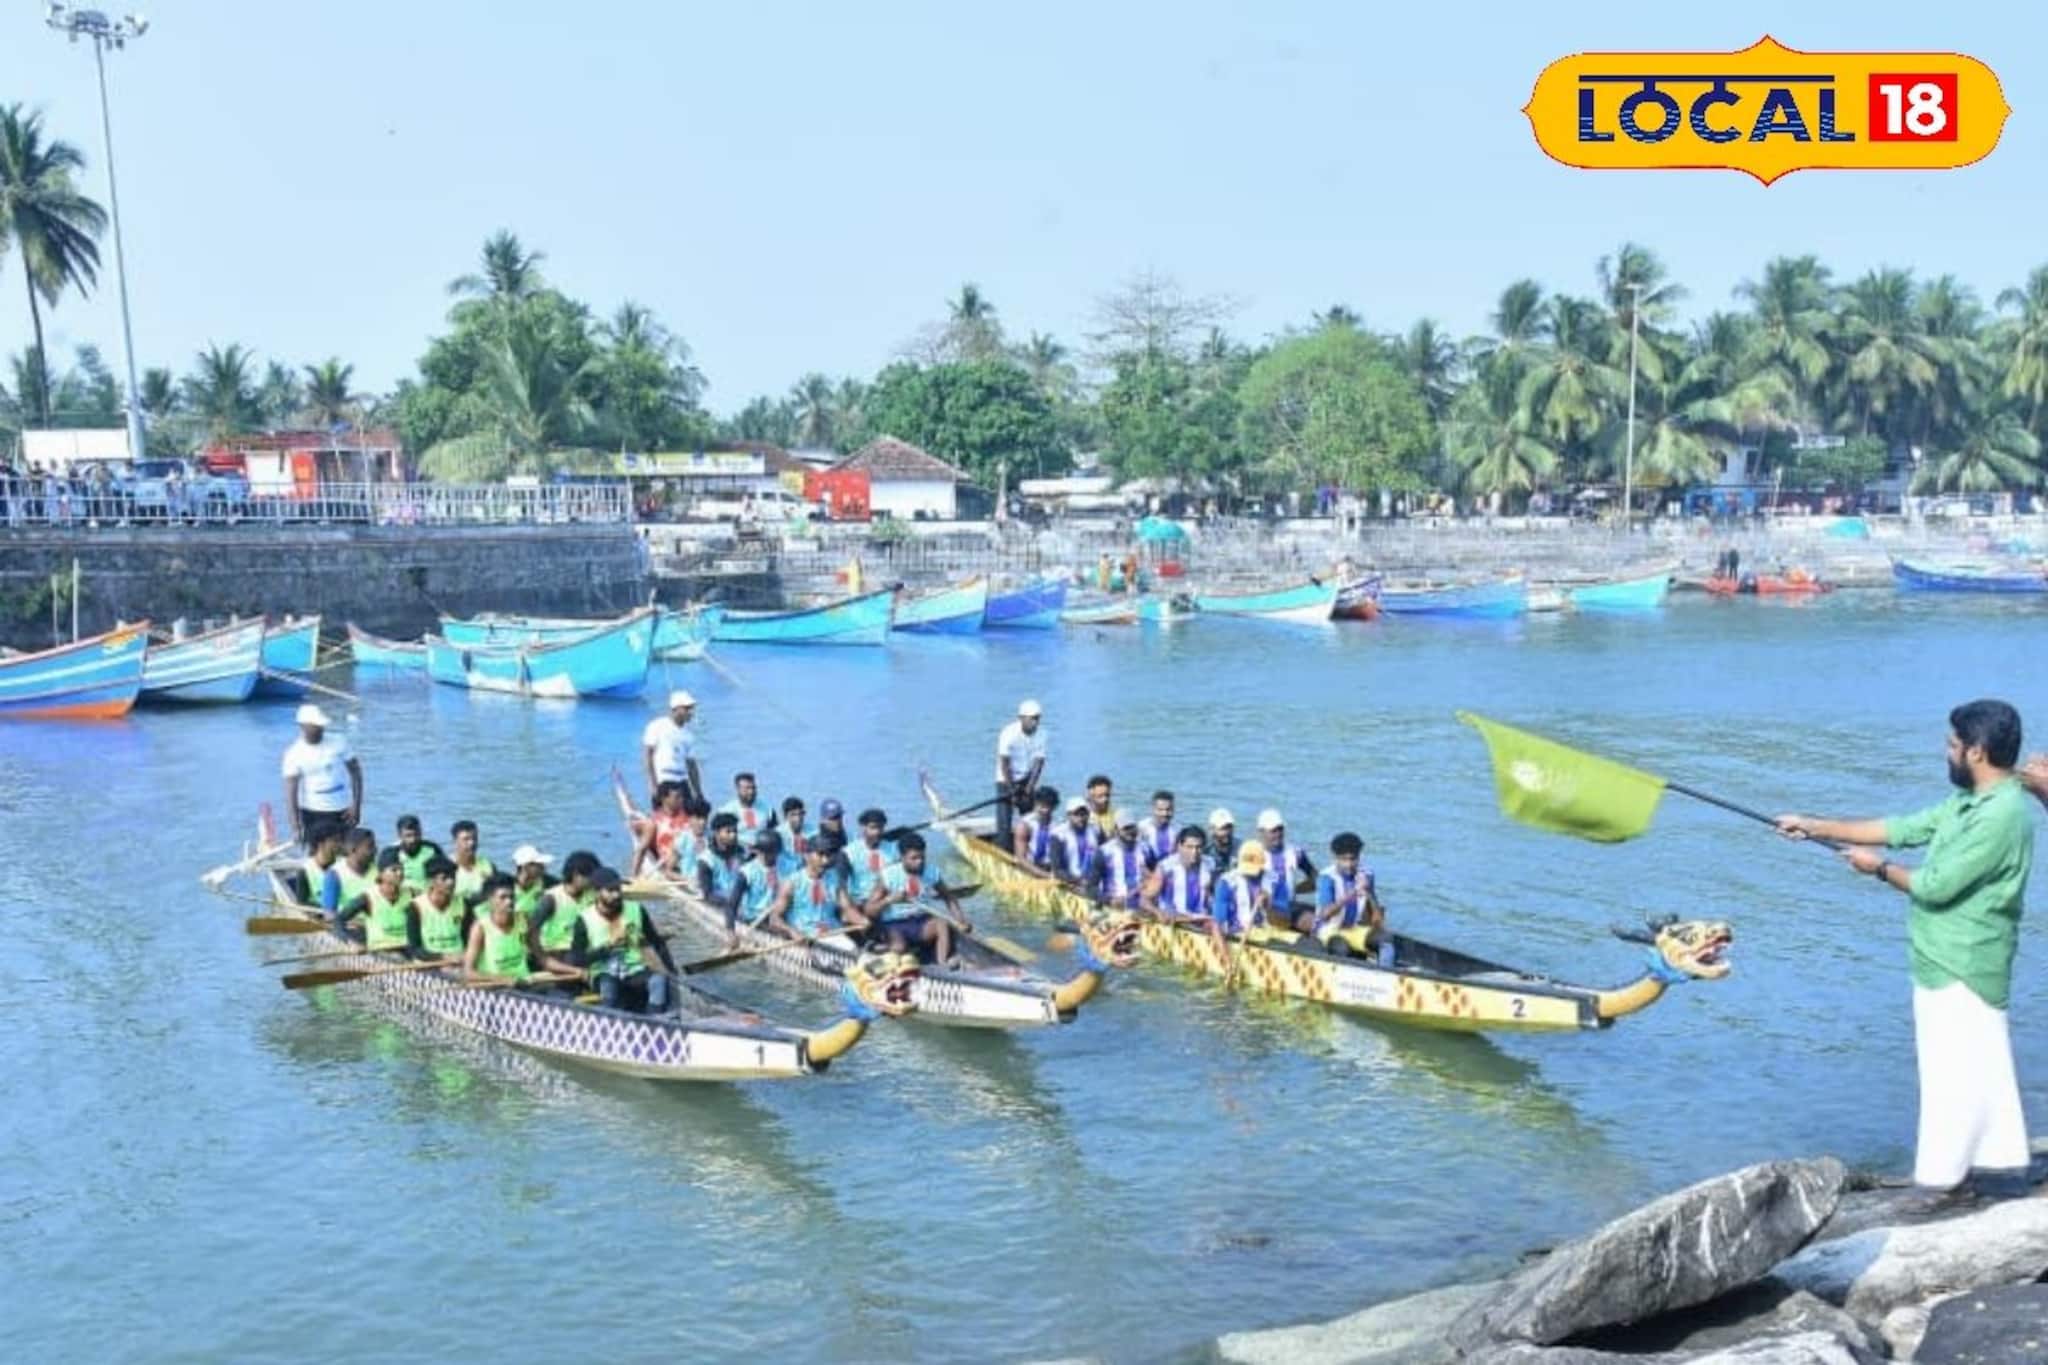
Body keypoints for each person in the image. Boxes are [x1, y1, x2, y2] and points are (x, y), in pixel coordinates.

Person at [1775, 699, 2036, 1191]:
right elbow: (1900, 829)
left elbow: (1935, 885)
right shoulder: (1968, 802)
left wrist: (1877, 869)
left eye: (1952, 745)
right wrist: (1813, 825)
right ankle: (1995, 1163)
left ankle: (1940, 1180)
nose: (1946, 752)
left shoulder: (2001, 816)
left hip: (1965, 962)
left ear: (1977, 752)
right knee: (1973, 1070)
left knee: (1953, 1078)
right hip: (1941, 959)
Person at [570, 868, 676, 1014]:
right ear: (597, 892)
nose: (617, 894)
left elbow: (656, 942)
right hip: (603, 971)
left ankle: (654, 1022)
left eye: (618, 889)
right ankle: (608, 1022)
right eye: (611, 890)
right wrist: (607, 949)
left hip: (633, 969)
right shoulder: (584, 919)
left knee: (658, 981)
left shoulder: (636, 909)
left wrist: (671, 972)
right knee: (608, 986)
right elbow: (576, 960)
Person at [864, 832, 970, 966]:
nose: (919, 862)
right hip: (894, 924)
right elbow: (869, 910)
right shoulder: (888, 875)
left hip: (920, 922)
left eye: (922, 857)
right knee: (899, 948)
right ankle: (879, 949)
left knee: (941, 923)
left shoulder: (931, 872)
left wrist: (961, 921)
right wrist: (889, 900)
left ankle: (941, 964)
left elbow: (949, 898)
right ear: (902, 858)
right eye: (914, 858)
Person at [281, 703, 362, 848]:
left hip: (343, 811)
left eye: (321, 725)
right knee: (319, 855)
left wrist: (356, 806)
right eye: (315, 726)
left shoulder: (339, 741)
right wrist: (295, 826)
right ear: (303, 726)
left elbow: (356, 773)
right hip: (313, 813)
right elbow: (290, 793)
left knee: (347, 851)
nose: (320, 729)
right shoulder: (293, 754)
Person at [767, 833, 869, 942]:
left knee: (853, 951)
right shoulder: (791, 883)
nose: (825, 860)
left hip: (831, 932)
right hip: (803, 936)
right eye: (820, 854)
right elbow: (774, 919)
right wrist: (792, 932)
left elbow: (848, 908)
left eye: (828, 855)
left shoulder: (835, 880)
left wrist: (862, 920)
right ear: (806, 855)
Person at [465, 875, 562, 983]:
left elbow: (543, 959)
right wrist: (502, 979)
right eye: (503, 897)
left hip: (523, 981)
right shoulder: (480, 928)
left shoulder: (524, 921)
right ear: (490, 900)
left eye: (512, 897)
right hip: (495, 986)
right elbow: (468, 972)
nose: (509, 901)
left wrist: (576, 971)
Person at [1312, 833, 1390, 962]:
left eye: (1353, 859)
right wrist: (1352, 893)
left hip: (1353, 929)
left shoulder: (1367, 874)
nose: (1348, 864)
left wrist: (1368, 892)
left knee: (1386, 939)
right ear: (1335, 858)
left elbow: (1376, 917)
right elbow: (1325, 914)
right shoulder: (1326, 877)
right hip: (1327, 929)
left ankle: (1385, 972)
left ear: (1359, 857)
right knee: (1341, 947)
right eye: (1343, 859)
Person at [995, 699, 1048, 847]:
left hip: (1026, 779)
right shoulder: (1008, 733)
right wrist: (1011, 790)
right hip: (1005, 779)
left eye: (1037, 718)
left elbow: (1039, 763)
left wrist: (1029, 789)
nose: (1035, 722)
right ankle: (1003, 848)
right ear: (1021, 718)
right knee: (1004, 826)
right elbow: (1004, 762)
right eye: (1032, 718)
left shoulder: (1042, 734)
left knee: (1032, 822)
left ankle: (1031, 851)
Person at [530, 850, 599, 962]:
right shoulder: (551, 898)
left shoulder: (590, 895)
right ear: (576, 875)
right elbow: (532, 930)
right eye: (590, 876)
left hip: (581, 947)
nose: (593, 881)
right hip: (557, 950)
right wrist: (542, 958)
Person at [1212, 842, 1290, 937]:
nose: (1249, 874)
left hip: (1270, 932)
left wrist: (1268, 906)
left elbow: (1284, 923)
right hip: (1239, 933)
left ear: (1263, 864)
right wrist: (1225, 952)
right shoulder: (1226, 882)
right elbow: (1217, 924)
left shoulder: (1277, 881)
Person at [338, 854, 412, 951]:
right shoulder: (367, 898)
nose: (400, 873)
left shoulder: (412, 894)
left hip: (408, 949)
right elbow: (338, 920)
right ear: (381, 874)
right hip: (381, 952)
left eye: (402, 869)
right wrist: (350, 942)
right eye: (394, 870)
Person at [642, 690, 703, 805]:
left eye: (691, 709)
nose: (691, 712)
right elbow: (648, 756)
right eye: (687, 708)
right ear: (676, 708)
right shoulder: (657, 726)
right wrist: (653, 786)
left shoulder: (688, 735)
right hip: (664, 781)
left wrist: (698, 792)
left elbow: (691, 765)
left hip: (682, 781)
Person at [408, 857, 473, 962]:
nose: (450, 882)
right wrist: (444, 957)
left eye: (453, 877)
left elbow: (468, 940)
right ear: (431, 882)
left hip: (459, 960)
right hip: (430, 963)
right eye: (444, 878)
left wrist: (466, 955)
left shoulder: (464, 904)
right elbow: (415, 949)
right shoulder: (416, 906)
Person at [697, 813, 749, 933]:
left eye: (735, 831)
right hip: (722, 902)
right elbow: (708, 894)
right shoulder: (705, 860)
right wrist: (731, 903)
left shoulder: (741, 853)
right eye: (728, 832)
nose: (733, 835)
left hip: (741, 901)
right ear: (716, 833)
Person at [1092, 810, 1149, 910]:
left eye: (1133, 827)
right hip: (1113, 906)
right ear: (1116, 830)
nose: (1130, 832)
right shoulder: (1104, 852)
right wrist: (1109, 900)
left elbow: (1154, 877)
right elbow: (1090, 887)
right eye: (1126, 828)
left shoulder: (1145, 849)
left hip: (1140, 907)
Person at [845, 809, 900, 907]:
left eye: (881, 828)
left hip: (885, 899)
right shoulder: (849, 852)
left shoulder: (894, 850)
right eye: (873, 828)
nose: (877, 832)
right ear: (863, 827)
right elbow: (841, 884)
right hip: (860, 900)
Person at [1256, 809, 1317, 891]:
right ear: (1261, 832)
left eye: (1280, 829)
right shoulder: (1252, 854)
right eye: (1273, 831)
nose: (1278, 834)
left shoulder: (1296, 853)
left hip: (1289, 902)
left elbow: (1316, 878)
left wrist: (1295, 890)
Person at [1049, 796, 1101, 885]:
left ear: (1088, 814)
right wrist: (1078, 881)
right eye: (1076, 814)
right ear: (1068, 815)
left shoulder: (1096, 829)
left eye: (1083, 814)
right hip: (1069, 879)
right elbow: (1057, 869)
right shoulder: (1058, 835)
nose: (1081, 818)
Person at [294, 827, 346, 913]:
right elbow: (302, 904)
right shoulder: (305, 871)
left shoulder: (344, 864)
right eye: (335, 841)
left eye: (340, 840)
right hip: (323, 915)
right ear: (321, 844)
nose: (339, 844)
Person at [330, 828, 379, 918]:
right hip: (348, 927)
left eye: (375, 846)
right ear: (353, 850)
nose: (375, 850)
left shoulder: (379, 871)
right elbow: (329, 914)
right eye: (370, 847)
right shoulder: (334, 875)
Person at [390, 815, 445, 893]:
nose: (413, 839)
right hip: (402, 897)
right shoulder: (391, 853)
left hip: (427, 897)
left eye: (417, 834)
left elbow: (445, 874)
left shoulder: (433, 849)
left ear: (421, 832)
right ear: (399, 835)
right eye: (408, 836)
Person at [1014, 786, 1061, 870]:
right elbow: (1021, 859)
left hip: (1050, 867)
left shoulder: (1058, 825)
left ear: (1054, 807)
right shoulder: (1024, 825)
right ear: (1035, 804)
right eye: (1042, 806)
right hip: (1029, 867)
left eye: (1049, 807)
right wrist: (1045, 876)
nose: (1045, 810)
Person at [448, 820, 494, 907]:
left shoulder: (488, 865)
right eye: (466, 839)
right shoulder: (446, 867)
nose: (472, 843)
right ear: (454, 841)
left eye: (474, 838)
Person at [509, 845, 557, 923]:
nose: (543, 867)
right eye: (539, 864)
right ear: (525, 866)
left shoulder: (549, 883)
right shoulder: (506, 886)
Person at [1139, 790, 1178, 868]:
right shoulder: (1142, 828)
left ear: (1173, 809)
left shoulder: (1178, 831)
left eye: (1168, 809)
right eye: (1160, 810)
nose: (1165, 813)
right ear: (1153, 809)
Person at [1205, 808, 1240, 880]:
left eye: (1229, 827)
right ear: (1211, 830)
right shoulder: (1205, 850)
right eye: (1223, 828)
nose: (1227, 832)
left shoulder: (1241, 848)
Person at [1085, 775, 1117, 840]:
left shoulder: (1116, 815)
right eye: (1100, 796)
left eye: (1107, 795)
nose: (1105, 799)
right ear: (1090, 795)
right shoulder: (1083, 816)